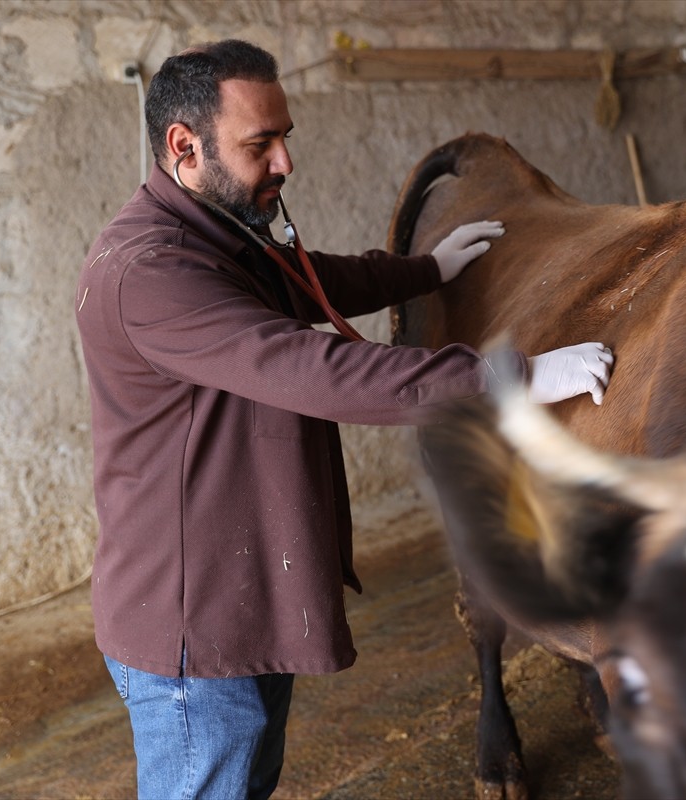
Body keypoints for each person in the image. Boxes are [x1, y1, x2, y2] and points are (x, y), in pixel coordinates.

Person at [74, 39, 613, 800]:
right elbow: (312, 367)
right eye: (261, 143)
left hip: (236, 595)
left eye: (285, 136)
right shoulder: (152, 273)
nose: (286, 162)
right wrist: (508, 377)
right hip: (192, 628)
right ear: (184, 147)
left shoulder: (216, 232)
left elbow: (309, 276)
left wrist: (426, 270)